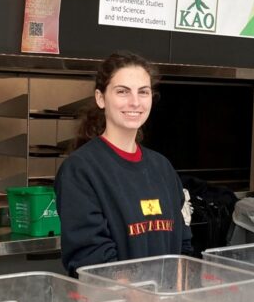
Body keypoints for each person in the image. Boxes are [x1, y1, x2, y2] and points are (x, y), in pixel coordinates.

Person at [56, 51, 192, 276]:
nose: (135, 102)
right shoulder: (80, 170)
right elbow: (92, 261)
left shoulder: (163, 168)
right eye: (122, 92)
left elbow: (183, 246)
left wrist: (172, 300)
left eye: (143, 92)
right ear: (101, 98)